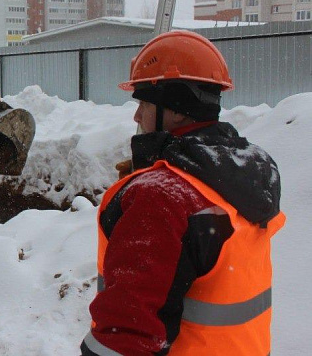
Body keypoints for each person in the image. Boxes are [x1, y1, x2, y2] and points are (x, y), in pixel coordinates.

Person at [81, 30, 284, 356]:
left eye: (144, 104)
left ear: (174, 109)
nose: (136, 116)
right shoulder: (240, 174)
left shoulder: (162, 196)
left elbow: (126, 335)